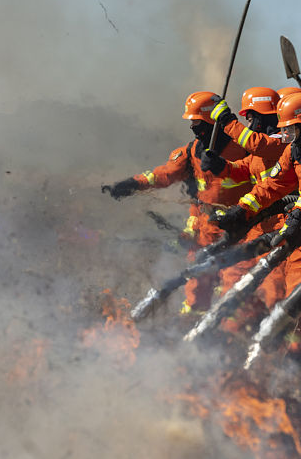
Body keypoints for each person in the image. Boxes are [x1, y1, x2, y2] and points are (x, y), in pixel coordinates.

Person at [102, 91, 251, 315]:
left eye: (196, 122)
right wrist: (130, 184)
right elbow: (163, 175)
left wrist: (222, 166)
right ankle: (191, 327)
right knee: (197, 281)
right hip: (206, 228)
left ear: (212, 121)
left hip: (242, 227)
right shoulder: (191, 153)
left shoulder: (244, 150)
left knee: (234, 282)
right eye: (191, 122)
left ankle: (227, 329)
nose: (192, 127)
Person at [213, 91, 301, 356]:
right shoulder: (294, 151)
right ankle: (296, 359)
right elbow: (274, 184)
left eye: (291, 130)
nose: (288, 136)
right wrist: (242, 210)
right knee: (295, 296)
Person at [201, 87, 289, 317]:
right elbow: (244, 168)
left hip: (285, 223)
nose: (248, 122)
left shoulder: (281, 141)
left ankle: (284, 346)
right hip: (261, 223)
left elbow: (256, 144)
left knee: (275, 287)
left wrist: (227, 121)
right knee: (237, 275)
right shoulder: (261, 149)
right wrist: (221, 166)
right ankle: (234, 328)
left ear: (262, 115)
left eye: (250, 117)